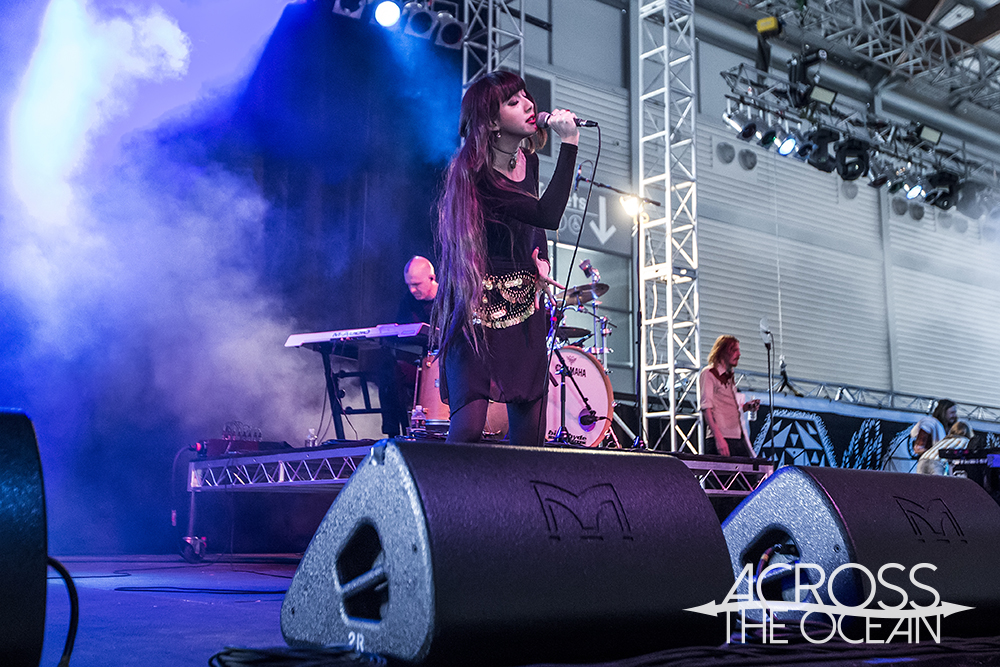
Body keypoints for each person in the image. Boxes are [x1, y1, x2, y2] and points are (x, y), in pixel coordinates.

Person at [432, 71, 579, 446]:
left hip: (523, 307)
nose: (529, 104)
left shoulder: (529, 162)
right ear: (492, 122)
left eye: (526, 96)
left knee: (530, 433)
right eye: (514, 102)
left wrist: (541, 263)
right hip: (477, 307)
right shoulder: (476, 174)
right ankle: (447, 485)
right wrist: (570, 144)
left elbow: (534, 225)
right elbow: (547, 214)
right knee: (468, 427)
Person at [700, 335, 759, 457]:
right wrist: (719, 439)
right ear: (722, 352)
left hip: (737, 438)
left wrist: (746, 407)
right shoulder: (709, 373)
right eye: (734, 350)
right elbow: (706, 408)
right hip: (721, 437)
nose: (739, 354)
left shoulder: (730, 375)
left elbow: (725, 407)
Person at [397, 255, 438, 325]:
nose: (412, 290)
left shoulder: (450, 299)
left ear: (432, 278)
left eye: (416, 284)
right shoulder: (408, 300)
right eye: (409, 285)